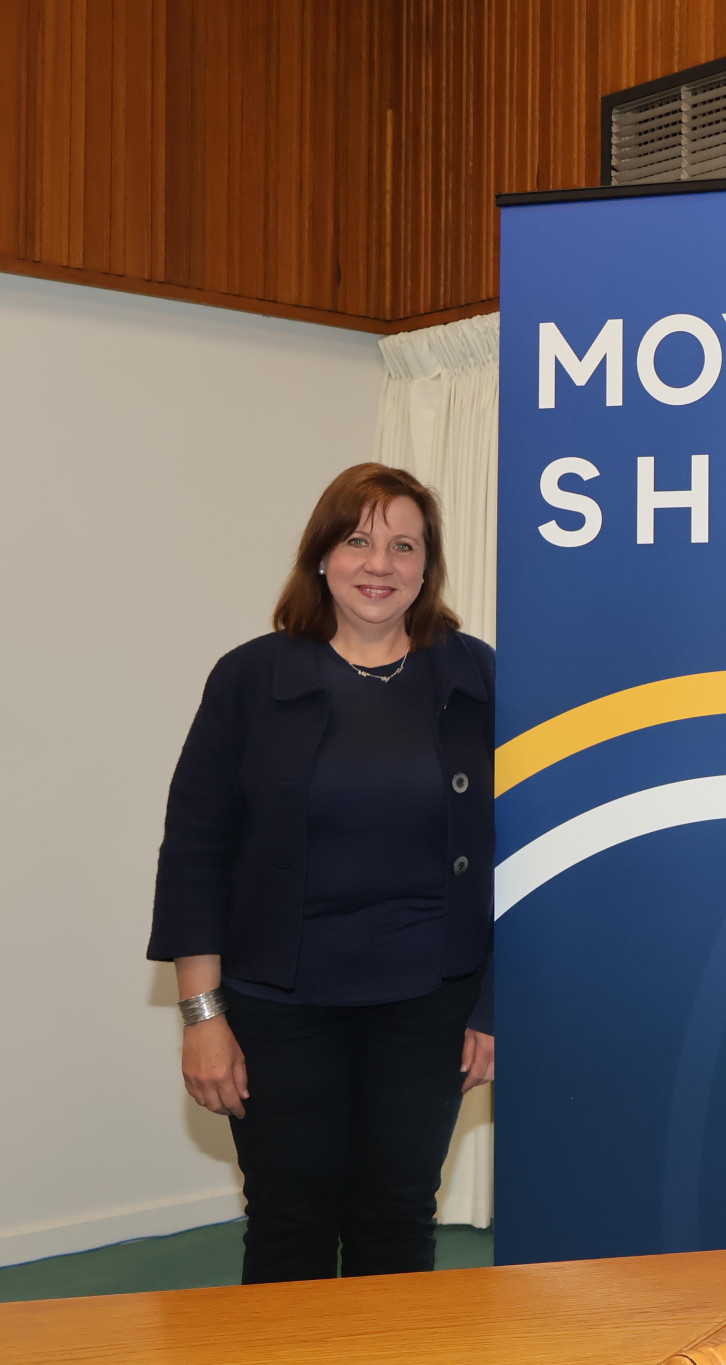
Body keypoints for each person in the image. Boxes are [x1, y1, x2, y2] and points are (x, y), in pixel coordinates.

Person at [147, 463, 497, 1283]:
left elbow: (512, 854)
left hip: (428, 1001)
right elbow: (194, 848)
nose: (380, 563)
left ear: (427, 565)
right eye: (358, 540)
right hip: (279, 1006)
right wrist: (202, 1014)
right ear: (321, 558)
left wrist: (493, 1004)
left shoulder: (477, 677)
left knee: (398, 1216)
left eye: (403, 544)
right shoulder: (250, 677)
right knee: (288, 1217)